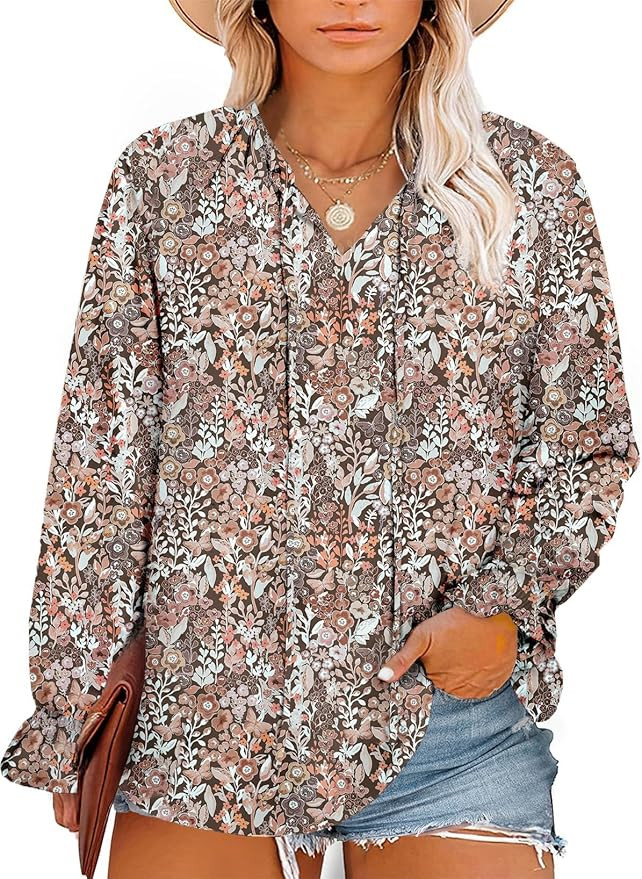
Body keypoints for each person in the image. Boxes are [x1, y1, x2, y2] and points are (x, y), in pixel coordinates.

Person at [2, 2, 639, 878]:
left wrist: (504, 609)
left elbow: (586, 443)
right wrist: (71, 706)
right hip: (202, 732)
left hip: (445, 733)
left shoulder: (528, 186)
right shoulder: (166, 181)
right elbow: (100, 464)